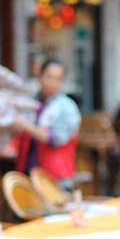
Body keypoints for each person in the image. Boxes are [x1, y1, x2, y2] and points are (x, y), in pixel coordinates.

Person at [15, 59, 81, 189]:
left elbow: (56, 139)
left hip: (55, 177)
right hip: (27, 171)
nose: (53, 83)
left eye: (58, 79)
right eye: (49, 77)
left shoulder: (66, 107)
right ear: (40, 76)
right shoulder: (31, 102)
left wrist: (24, 125)